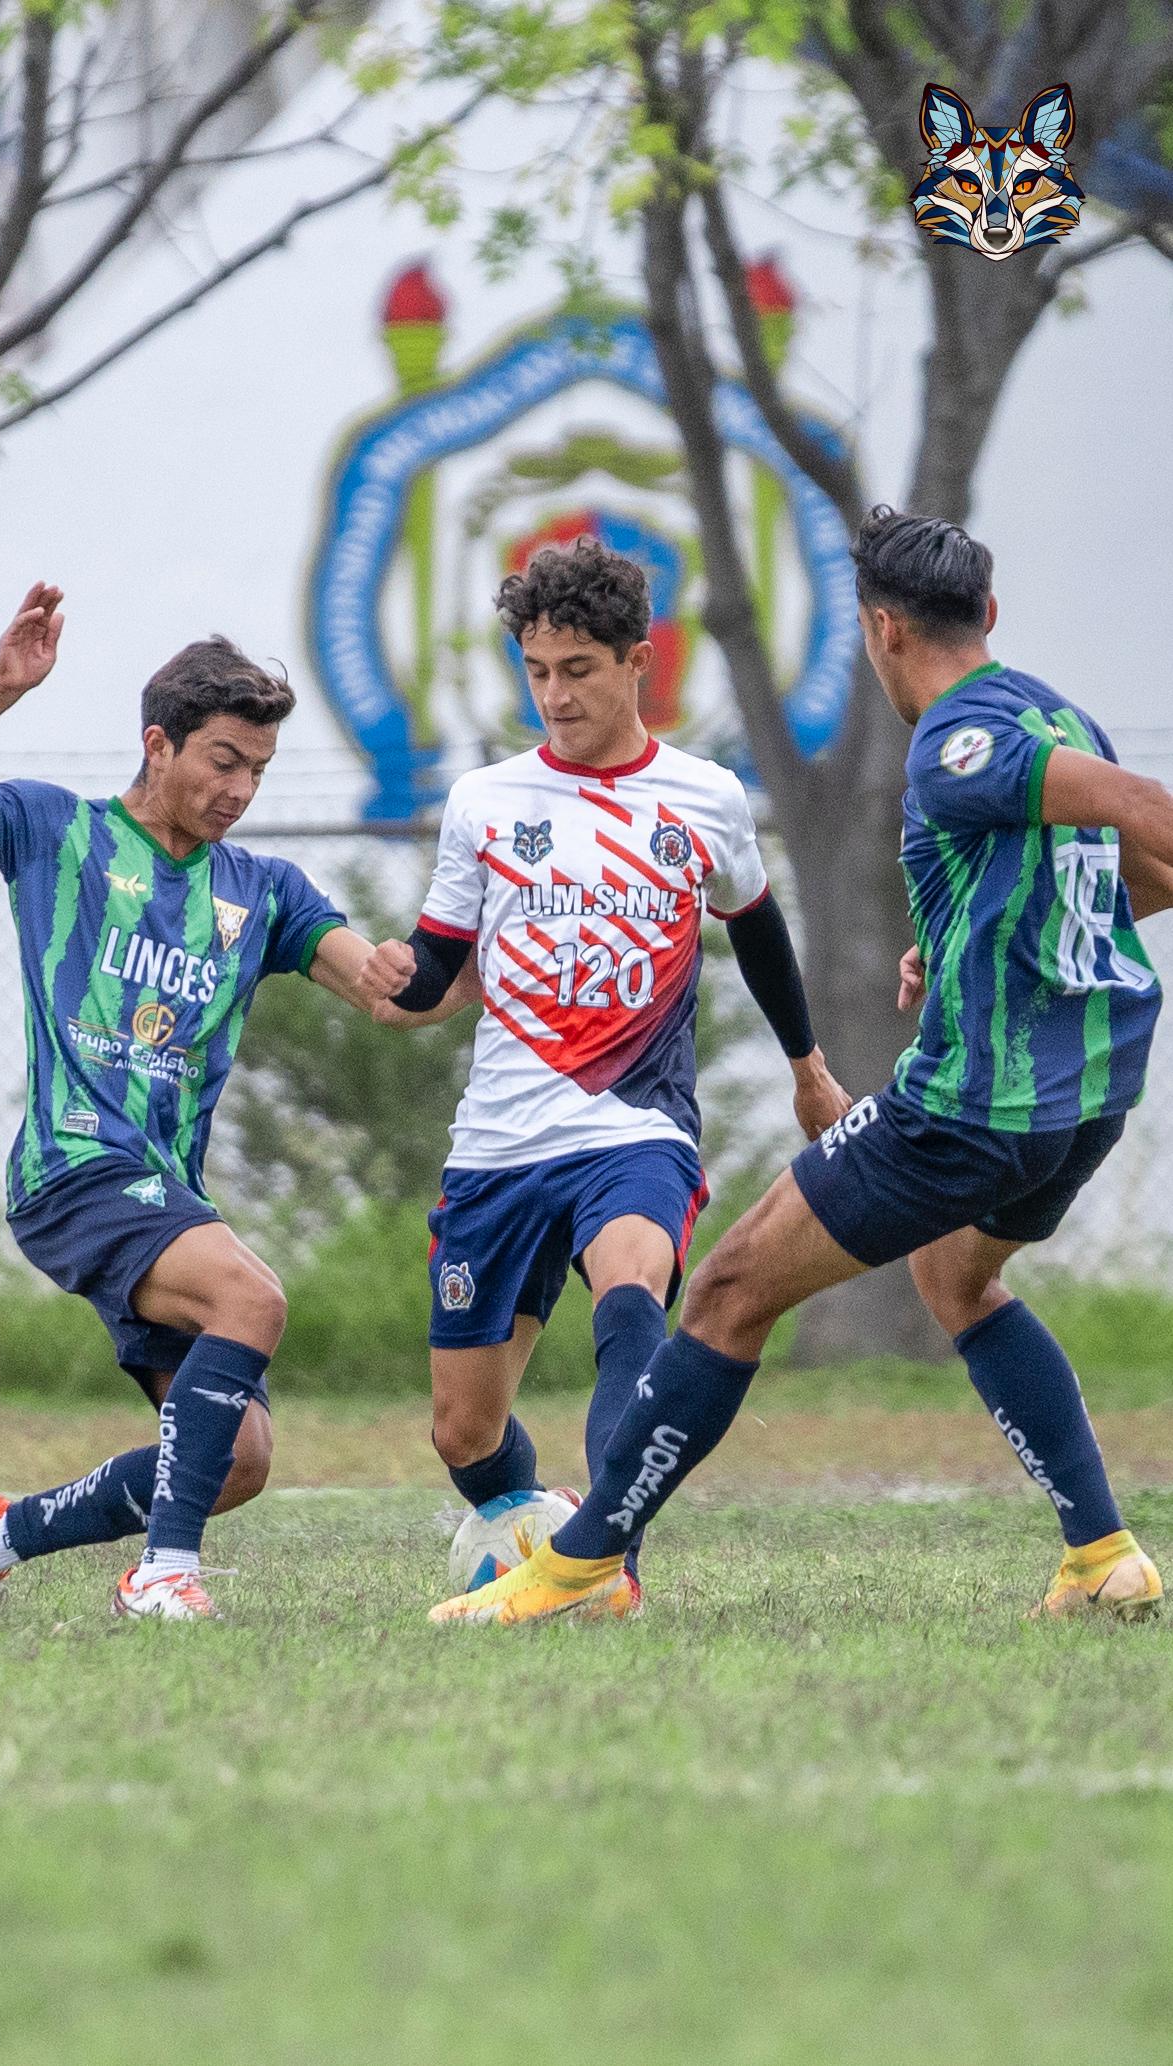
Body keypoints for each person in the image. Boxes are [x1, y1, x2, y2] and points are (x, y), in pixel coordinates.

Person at [432, 506, 1167, 1625]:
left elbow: (1147, 816)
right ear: (988, 614)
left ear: (879, 629)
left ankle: (580, 1563)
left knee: (726, 1290)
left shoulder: (959, 739)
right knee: (952, 1279)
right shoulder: (1056, 711)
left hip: (974, 1104)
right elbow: (1126, 878)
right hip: (1091, 1093)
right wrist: (968, 937)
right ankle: (1101, 1552)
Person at [0, 587, 391, 1622]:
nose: (239, 787)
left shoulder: (265, 889)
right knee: (254, 1299)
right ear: (158, 744)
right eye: (222, 761)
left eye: (257, 769)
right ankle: (162, 1574)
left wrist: (481, 950)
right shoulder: (53, 829)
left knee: (235, 1457)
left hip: (163, 1191)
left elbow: (386, 989)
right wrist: (0, 689)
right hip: (72, 1170)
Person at [358, 536, 850, 1612]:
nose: (553, 695)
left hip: (635, 1124)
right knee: (461, 1426)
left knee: (632, 1285)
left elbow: (758, 933)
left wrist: (807, 1070)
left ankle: (603, 1564)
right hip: (496, 1143)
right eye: (535, 672)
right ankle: (541, 1522)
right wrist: (392, 979)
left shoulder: (703, 796)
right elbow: (437, 965)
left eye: (575, 669)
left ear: (638, 662)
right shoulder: (484, 801)